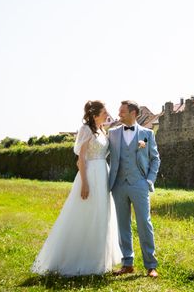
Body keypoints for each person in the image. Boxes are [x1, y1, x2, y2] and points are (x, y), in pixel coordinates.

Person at [32, 100, 122, 276]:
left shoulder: (102, 129)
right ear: (95, 114)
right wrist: (85, 183)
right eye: (104, 112)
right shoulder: (86, 130)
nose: (107, 114)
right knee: (86, 214)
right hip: (90, 174)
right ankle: (79, 259)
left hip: (103, 173)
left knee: (102, 214)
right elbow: (80, 159)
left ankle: (100, 260)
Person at [108, 100, 161, 278]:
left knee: (144, 224)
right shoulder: (113, 133)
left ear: (133, 113)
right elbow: (102, 153)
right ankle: (127, 263)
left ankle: (151, 265)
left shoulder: (147, 133)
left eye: (122, 112)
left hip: (140, 183)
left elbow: (155, 159)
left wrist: (149, 181)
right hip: (118, 185)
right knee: (123, 224)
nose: (119, 114)